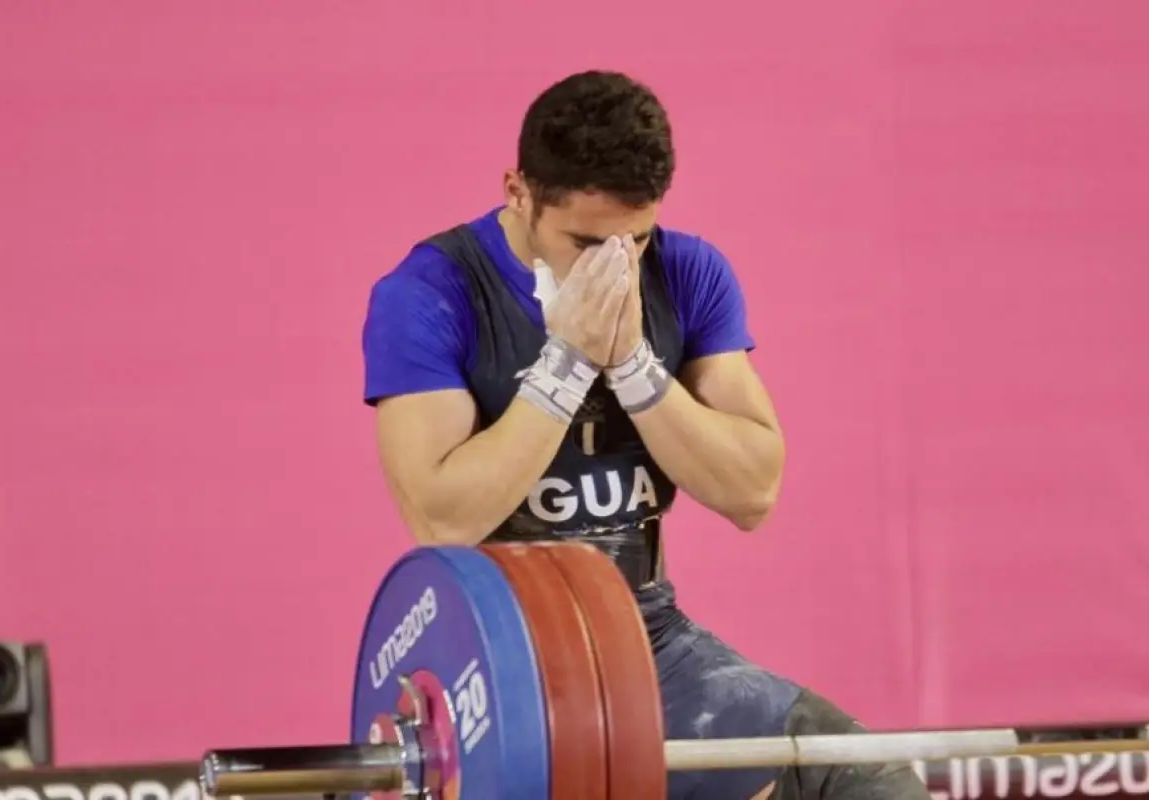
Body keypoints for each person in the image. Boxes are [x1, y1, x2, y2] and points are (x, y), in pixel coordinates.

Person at [362, 70, 929, 799]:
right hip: (505, 654)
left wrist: (634, 365)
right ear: (518, 193)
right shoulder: (429, 292)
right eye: (585, 242)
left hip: (646, 637)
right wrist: (564, 364)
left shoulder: (687, 271)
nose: (612, 268)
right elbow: (444, 516)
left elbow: (753, 492)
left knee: (868, 784)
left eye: (633, 240)